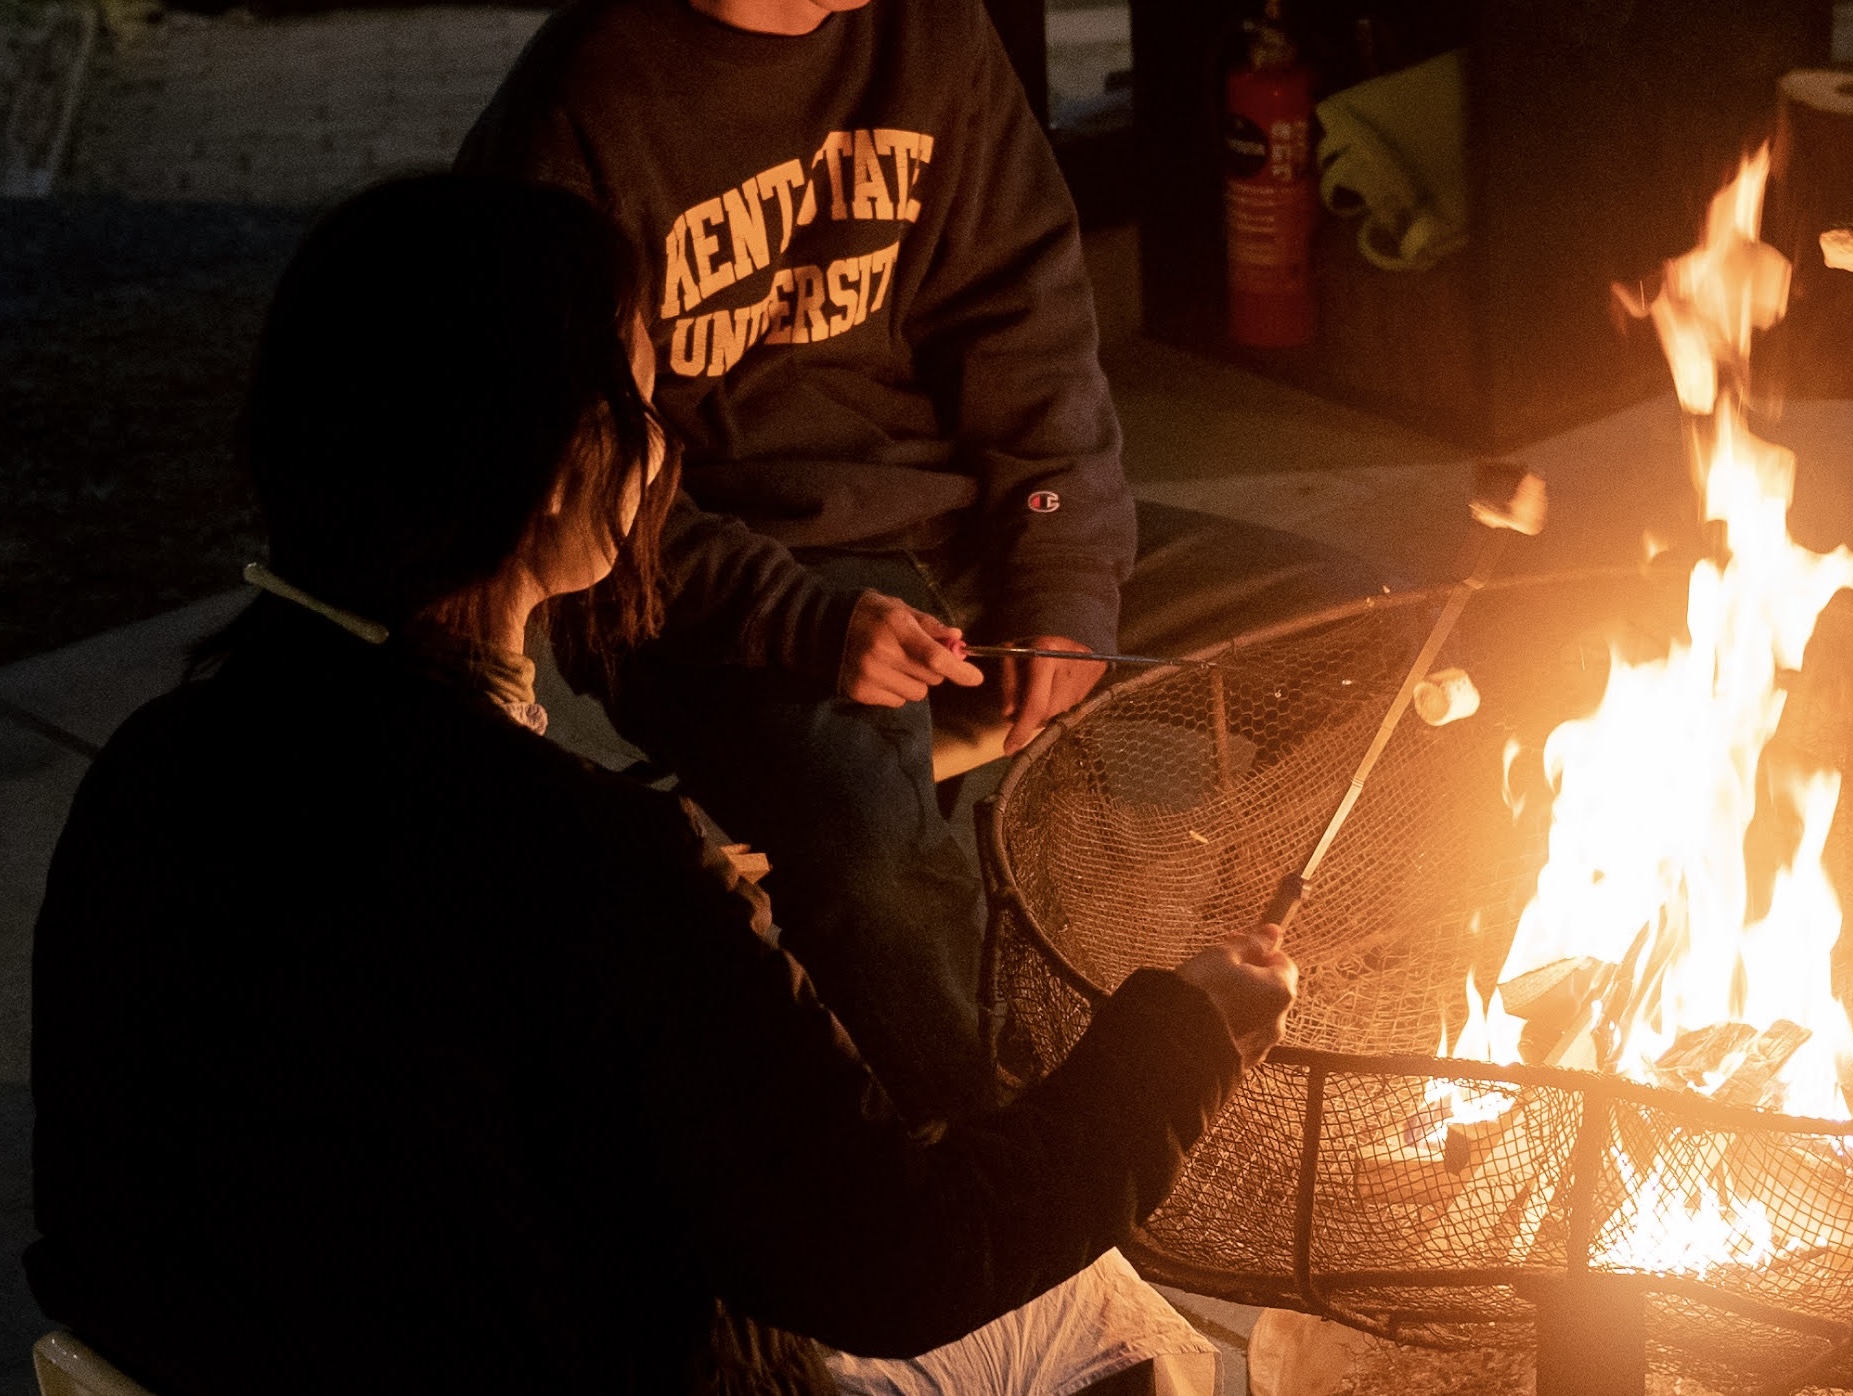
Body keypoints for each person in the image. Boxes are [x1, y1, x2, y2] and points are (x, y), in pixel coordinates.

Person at [26, 174, 1296, 1396]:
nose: (664, 447)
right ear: (563, 463)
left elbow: (404, 991)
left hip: (247, 1352)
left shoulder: (153, 767)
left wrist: (674, 932)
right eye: (643, 400)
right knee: (1105, 1316)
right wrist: (1183, 1034)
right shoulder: (599, 867)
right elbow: (904, 1259)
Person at [459, 0, 1380, 1127]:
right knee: (867, 840)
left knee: (1356, 635)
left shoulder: (924, 9)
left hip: (958, 541)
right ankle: (1003, 1173)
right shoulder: (587, 108)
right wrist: (803, 619)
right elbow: (568, 482)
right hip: (718, 589)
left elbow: (1021, 307)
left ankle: (1231, 1025)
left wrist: (1065, 581)